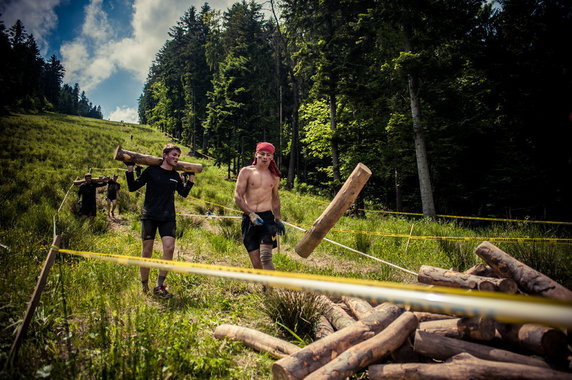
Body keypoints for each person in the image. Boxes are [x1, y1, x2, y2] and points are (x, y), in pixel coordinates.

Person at [125, 144, 195, 298]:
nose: (176, 158)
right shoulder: (151, 171)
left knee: (169, 249)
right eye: (174, 155)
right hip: (149, 216)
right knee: (147, 251)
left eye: (178, 156)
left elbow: (183, 193)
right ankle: (144, 285)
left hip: (168, 217)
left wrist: (191, 177)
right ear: (165, 155)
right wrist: (130, 168)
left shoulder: (175, 175)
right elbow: (132, 187)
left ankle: (159, 286)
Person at [234, 142, 285, 273]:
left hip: (267, 219)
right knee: (256, 262)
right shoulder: (246, 172)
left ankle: (270, 290)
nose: (265, 157)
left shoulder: (274, 176)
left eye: (268, 155)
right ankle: (265, 287)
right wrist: (250, 214)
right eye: (262, 154)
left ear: (272, 157)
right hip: (249, 218)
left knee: (266, 257)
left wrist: (278, 219)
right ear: (256, 154)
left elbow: (275, 198)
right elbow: (237, 196)